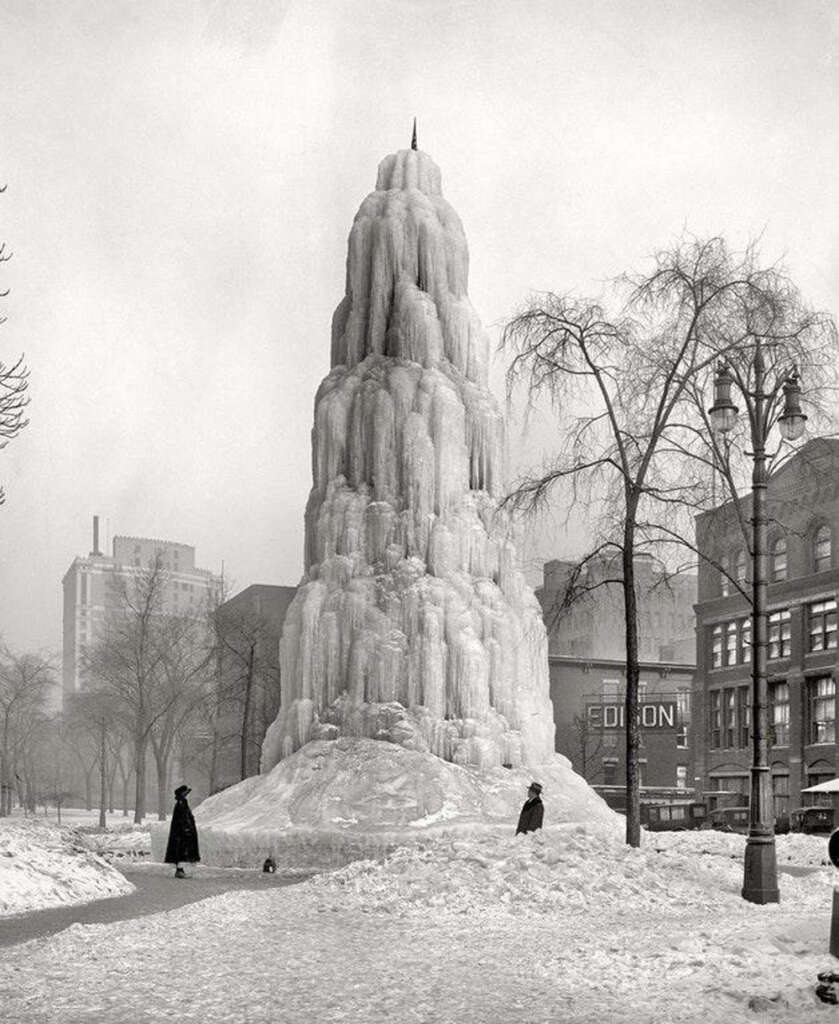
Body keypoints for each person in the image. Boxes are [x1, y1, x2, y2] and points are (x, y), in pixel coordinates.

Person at [164, 784, 200, 878]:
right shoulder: (181, 803)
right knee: (182, 851)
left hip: (182, 832)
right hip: (182, 833)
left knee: (182, 851)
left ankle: (181, 870)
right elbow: (183, 818)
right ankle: (180, 871)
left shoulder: (182, 802)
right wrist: (187, 829)